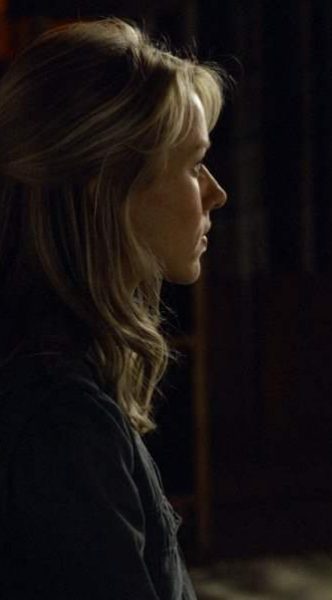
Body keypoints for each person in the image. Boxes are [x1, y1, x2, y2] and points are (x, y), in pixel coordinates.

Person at [0, 16, 228, 599]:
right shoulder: (63, 425)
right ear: (111, 187)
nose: (216, 193)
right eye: (192, 165)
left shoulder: (52, 367)